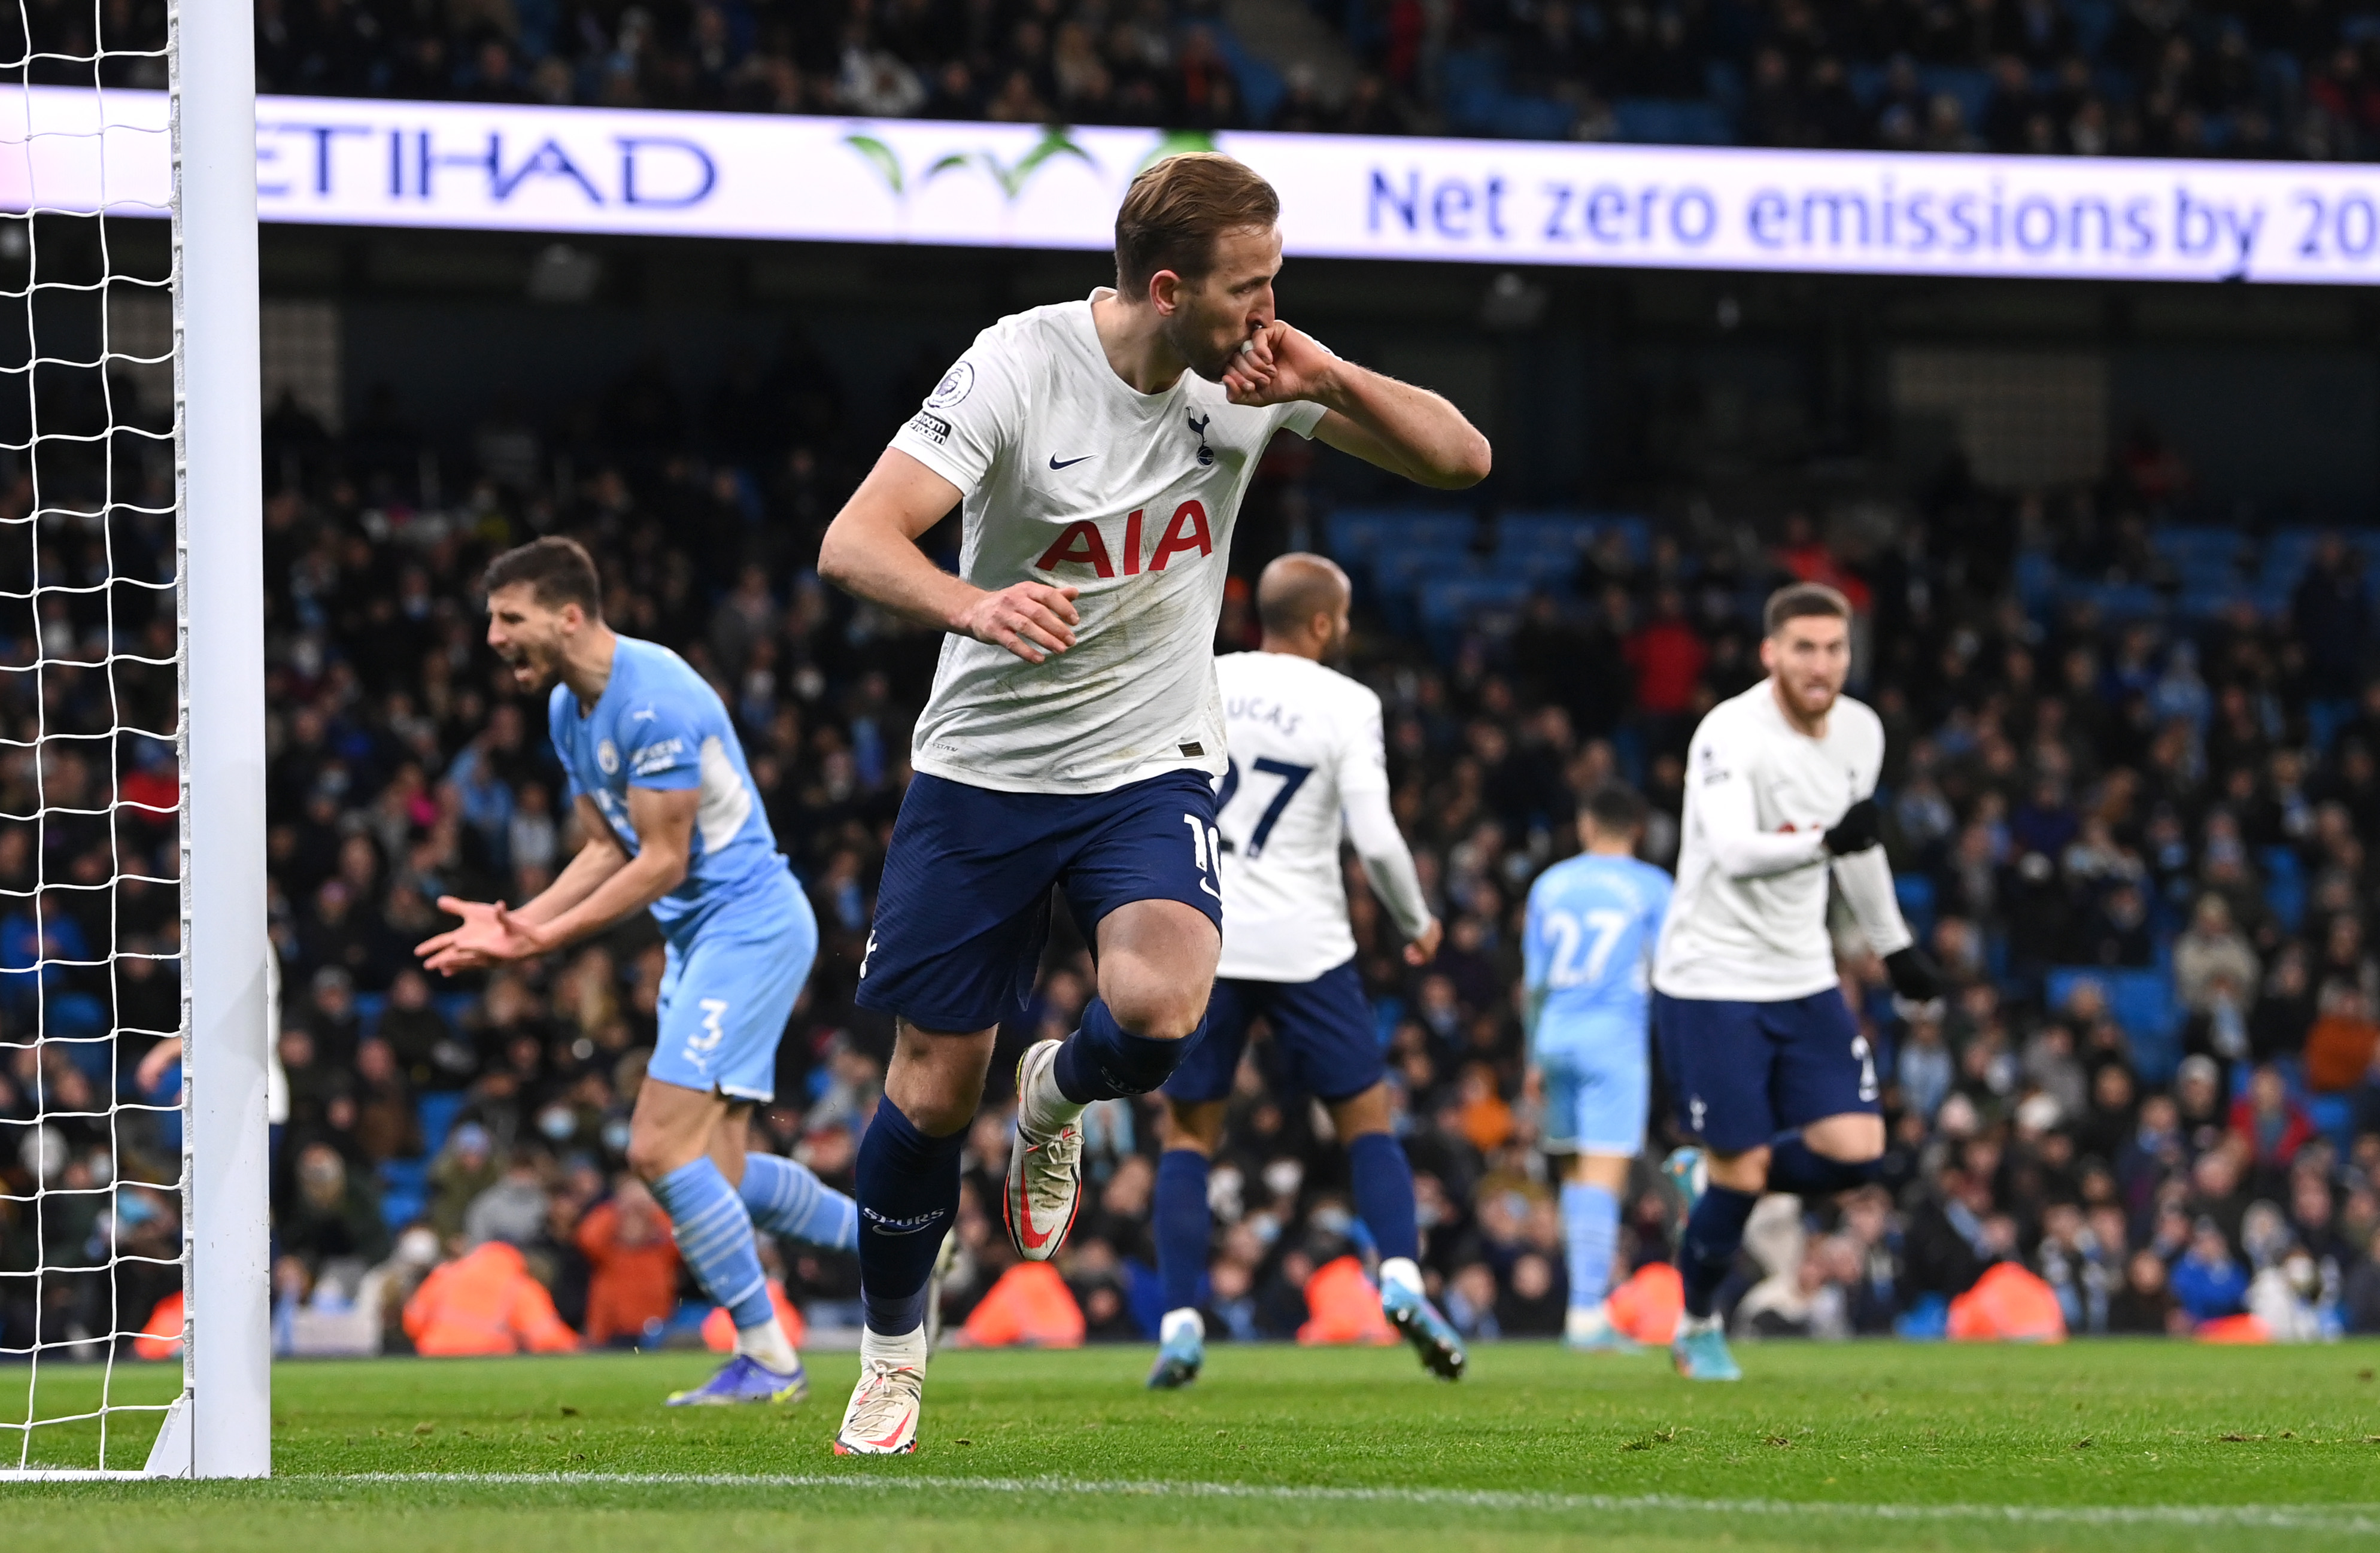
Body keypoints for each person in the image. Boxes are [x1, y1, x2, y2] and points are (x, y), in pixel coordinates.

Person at [814, 151, 1490, 1454]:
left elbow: (1462, 459)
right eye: (1251, 288)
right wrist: (973, 602)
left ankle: (1057, 1095)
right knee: (929, 1087)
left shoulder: (1256, 374)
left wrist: (1327, 378)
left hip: (1148, 760)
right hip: (984, 769)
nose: (1270, 308)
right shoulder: (1018, 363)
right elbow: (857, 539)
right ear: (1168, 288)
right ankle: (894, 1355)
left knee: (1161, 1010)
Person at [416, 537, 858, 1408]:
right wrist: (519, 921)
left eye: (511, 617)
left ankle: (770, 1358)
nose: (494, 636)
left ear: (568, 614)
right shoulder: (565, 710)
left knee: (656, 1145)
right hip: (703, 938)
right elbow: (603, 845)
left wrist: (544, 942)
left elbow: (661, 857)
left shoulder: (654, 699)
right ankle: (896, 1242)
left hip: (750, 924)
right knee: (716, 1176)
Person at [1145, 552, 1464, 1390]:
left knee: (1188, 1135)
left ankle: (1180, 1321)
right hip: (1309, 946)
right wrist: (1416, 920)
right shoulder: (1349, 702)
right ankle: (1400, 1273)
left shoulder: (1206, 674)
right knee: (1366, 1120)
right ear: (1324, 623)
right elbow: (1379, 836)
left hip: (1207, 934)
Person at [1650, 582, 1939, 1382]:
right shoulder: (1729, 733)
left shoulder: (1860, 732)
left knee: (1858, 1149)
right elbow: (1737, 849)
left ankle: (1709, 1181)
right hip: (1711, 973)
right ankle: (1699, 1322)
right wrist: (1825, 837)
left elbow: (1861, 840)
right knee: (1745, 1171)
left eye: (1835, 648)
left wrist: (1895, 944)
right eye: (1804, 647)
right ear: (1770, 652)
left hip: (1802, 969)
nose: (1821, 664)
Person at [1523, 782, 1671, 1352]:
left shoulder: (1550, 884)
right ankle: (1586, 1314)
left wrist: (1532, 1054)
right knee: (1604, 1177)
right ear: (1636, 828)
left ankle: (1583, 1308)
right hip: (1613, 1037)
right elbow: (1667, 971)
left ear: (1586, 826)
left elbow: (1533, 982)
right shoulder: (1653, 888)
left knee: (1577, 1175)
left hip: (1557, 1036)